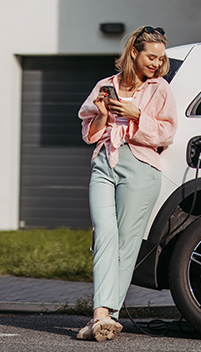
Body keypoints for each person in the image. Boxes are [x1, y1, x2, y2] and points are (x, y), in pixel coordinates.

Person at [76, 25, 177, 342]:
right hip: (105, 163)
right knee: (104, 233)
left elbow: (165, 134)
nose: (156, 64)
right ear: (134, 52)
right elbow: (88, 133)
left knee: (125, 244)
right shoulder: (105, 85)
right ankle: (102, 315)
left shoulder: (160, 89)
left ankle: (104, 315)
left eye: (160, 59)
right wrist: (104, 115)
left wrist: (136, 114)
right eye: (151, 56)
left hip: (141, 168)